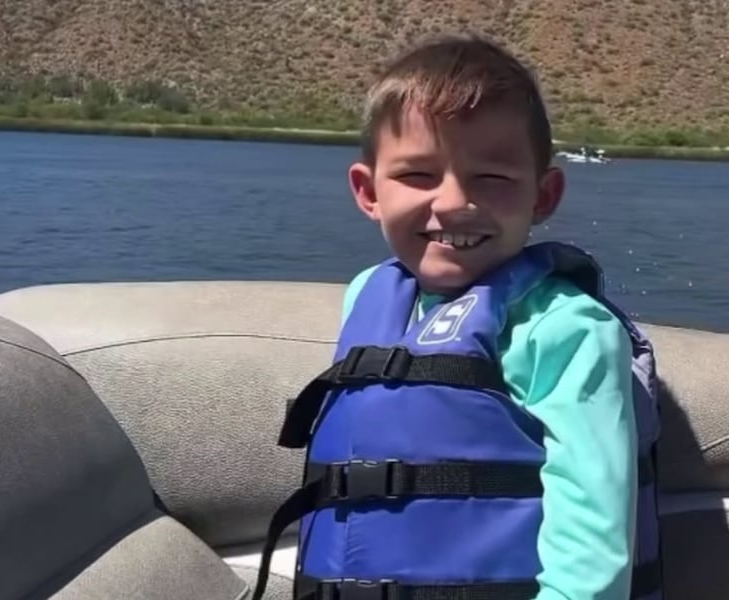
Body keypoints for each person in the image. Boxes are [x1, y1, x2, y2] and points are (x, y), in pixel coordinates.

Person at [252, 34, 662, 600]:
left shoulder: (565, 328)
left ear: (543, 197)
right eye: (418, 175)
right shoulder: (368, 294)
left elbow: (593, 539)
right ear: (368, 192)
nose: (452, 202)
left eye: (490, 178)